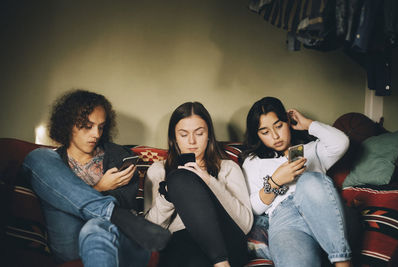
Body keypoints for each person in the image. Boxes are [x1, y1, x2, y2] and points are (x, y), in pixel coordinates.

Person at [22, 90, 170, 267]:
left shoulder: (120, 156)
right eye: (87, 126)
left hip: (113, 237)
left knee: (96, 228)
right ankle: (111, 212)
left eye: (101, 126)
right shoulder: (51, 164)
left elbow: (127, 201)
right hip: (70, 241)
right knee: (37, 156)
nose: (96, 134)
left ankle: (112, 216)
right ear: (68, 124)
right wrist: (100, 188)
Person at [241, 97, 352, 267]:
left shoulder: (312, 149)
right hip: (285, 219)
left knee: (308, 180)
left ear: (288, 122)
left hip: (322, 211)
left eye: (279, 126)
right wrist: (276, 181)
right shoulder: (253, 161)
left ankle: (342, 262)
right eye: (265, 132)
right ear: (257, 135)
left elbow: (341, 142)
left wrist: (308, 124)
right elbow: (253, 208)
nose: (275, 136)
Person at [144, 102, 253, 267]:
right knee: (179, 178)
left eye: (199, 133)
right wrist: (168, 197)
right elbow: (149, 231)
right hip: (182, 244)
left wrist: (209, 181)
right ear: (174, 137)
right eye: (183, 134)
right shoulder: (158, 171)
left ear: (209, 135)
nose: (192, 141)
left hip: (226, 240)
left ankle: (221, 262)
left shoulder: (228, 168)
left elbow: (244, 225)